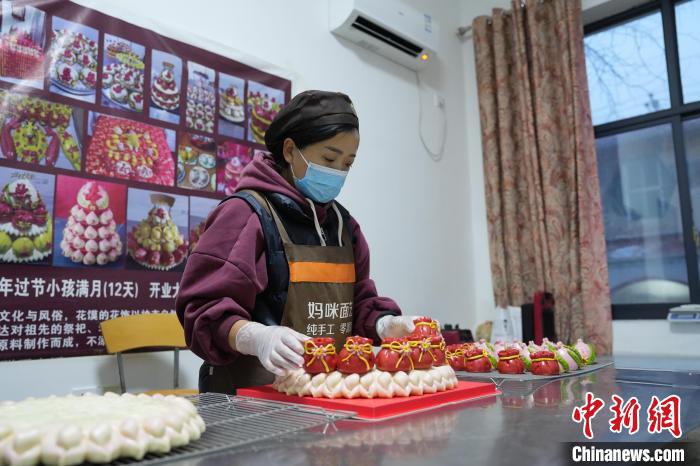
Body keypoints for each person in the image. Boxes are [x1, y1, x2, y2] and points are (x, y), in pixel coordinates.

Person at [176, 90, 418, 394]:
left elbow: (357, 302)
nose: (338, 172)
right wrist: (256, 337)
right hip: (251, 398)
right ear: (290, 151)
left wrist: (382, 323)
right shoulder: (246, 215)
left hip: (325, 395)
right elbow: (202, 310)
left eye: (348, 163)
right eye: (329, 158)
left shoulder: (344, 227)